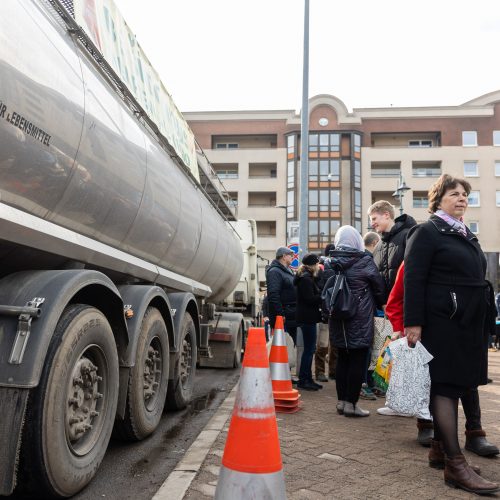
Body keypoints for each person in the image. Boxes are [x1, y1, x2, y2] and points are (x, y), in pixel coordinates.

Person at [404, 174, 499, 494]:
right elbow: (413, 280)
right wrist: (413, 323)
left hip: (467, 322)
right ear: (438, 199)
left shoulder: (461, 232)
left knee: (458, 385)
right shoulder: (427, 231)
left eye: (465, 195)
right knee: (445, 388)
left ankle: (439, 450)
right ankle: (455, 465)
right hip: (442, 322)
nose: (462, 199)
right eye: (454, 194)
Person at [328, 226, 386, 417]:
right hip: (359, 318)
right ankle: (352, 405)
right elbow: (379, 289)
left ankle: (341, 402)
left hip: (338, 319)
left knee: (343, 359)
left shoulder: (332, 261)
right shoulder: (364, 261)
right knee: (358, 360)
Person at [294, 253, 323, 391]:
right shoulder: (306, 279)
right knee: (309, 349)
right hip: (307, 318)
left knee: (310, 349)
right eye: (317, 263)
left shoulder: (305, 277)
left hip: (307, 318)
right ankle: (304, 380)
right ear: (313, 265)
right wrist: (322, 295)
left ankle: (307, 378)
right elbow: (309, 299)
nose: (318, 266)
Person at [315, 243, 338, 382]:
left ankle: (322, 372)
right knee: (329, 344)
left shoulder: (320, 267)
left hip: (325, 311)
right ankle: (329, 372)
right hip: (333, 311)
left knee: (325, 344)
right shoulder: (327, 267)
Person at [266, 246, 297, 345]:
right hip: (283, 317)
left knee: (290, 345)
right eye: (291, 255)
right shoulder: (275, 271)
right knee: (284, 346)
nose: (293, 257)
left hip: (291, 315)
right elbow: (273, 295)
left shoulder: (288, 270)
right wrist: (281, 314)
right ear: (284, 256)